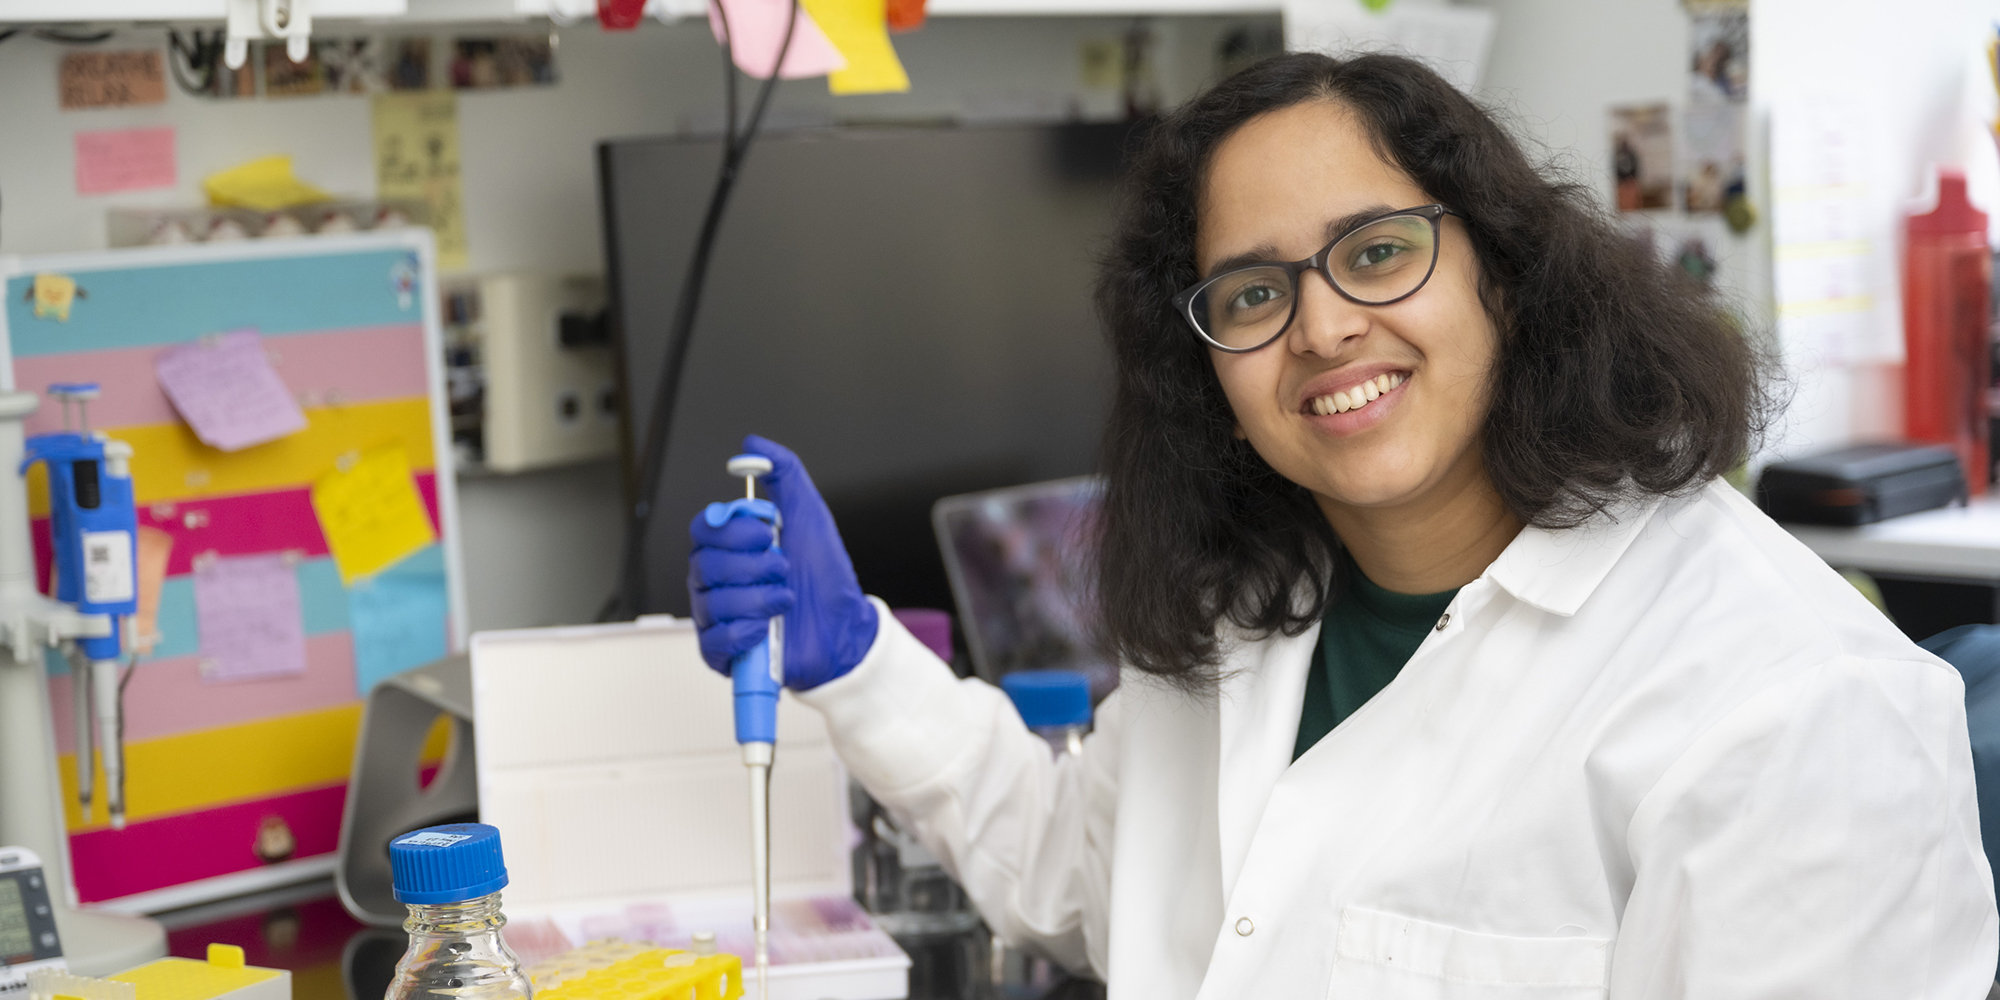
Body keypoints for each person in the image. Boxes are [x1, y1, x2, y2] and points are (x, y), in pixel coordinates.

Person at [687, 53, 1997, 998]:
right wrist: (854, 658)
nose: (1320, 328)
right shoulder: (1242, 612)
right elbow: (1088, 875)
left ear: (1501, 271)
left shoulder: (1792, 703)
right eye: (1252, 294)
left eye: (1376, 252)